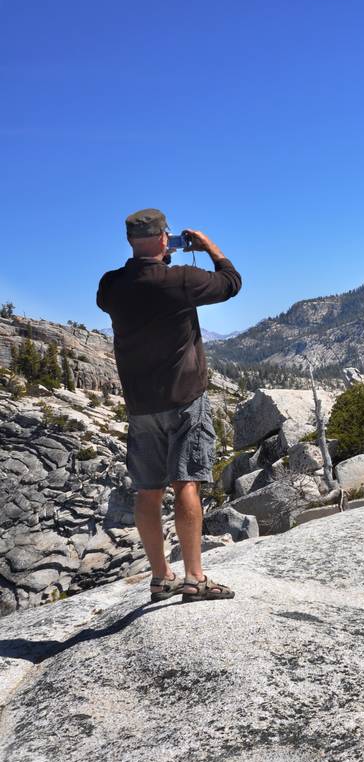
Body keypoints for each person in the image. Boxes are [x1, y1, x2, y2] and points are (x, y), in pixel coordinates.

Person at [97, 208, 242, 603]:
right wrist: (208, 246)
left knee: (148, 490)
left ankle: (161, 577)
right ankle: (195, 577)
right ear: (165, 238)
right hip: (184, 400)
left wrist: (157, 261)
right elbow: (231, 283)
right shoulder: (179, 280)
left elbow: (127, 290)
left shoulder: (110, 286)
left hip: (141, 405)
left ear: (130, 241)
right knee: (186, 483)